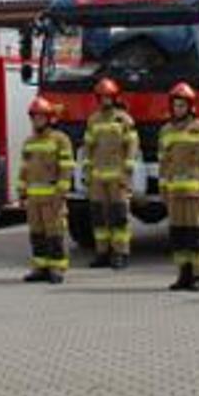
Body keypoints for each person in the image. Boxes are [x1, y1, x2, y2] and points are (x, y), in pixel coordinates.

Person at [159, 83, 199, 292]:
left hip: (195, 194)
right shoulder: (166, 131)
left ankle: (198, 275)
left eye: (182, 105)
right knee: (178, 235)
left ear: (190, 106)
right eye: (176, 105)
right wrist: (163, 190)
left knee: (195, 236)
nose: (178, 109)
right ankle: (183, 274)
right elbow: (164, 164)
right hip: (175, 194)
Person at [83, 77, 138, 270]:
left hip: (118, 177)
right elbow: (88, 147)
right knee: (99, 217)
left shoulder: (123, 119)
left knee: (119, 215)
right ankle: (102, 253)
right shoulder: (93, 120)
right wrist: (87, 171)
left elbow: (132, 145)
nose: (105, 100)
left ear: (115, 97)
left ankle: (120, 253)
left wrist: (128, 168)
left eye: (109, 97)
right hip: (98, 178)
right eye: (102, 97)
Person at [21, 98, 76, 284]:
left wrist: (60, 193)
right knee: (36, 234)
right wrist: (22, 191)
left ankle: (57, 268)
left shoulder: (60, 139)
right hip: (34, 198)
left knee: (55, 233)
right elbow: (24, 169)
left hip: (52, 196)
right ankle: (40, 267)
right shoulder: (29, 142)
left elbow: (67, 167)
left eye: (41, 117)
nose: (37, 120)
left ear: (50, 118)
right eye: (34, 117)